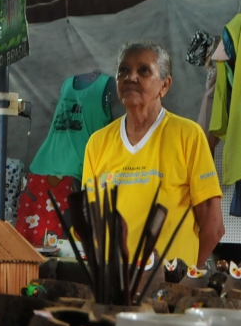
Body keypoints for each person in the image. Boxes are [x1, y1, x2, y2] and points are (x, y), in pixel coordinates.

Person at [82, 41, 224, 270]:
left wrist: (185, 276)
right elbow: (91, 221)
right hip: (113, 281)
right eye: (123, 70)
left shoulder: (188, 136)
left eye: (144, 71)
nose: (131, 77)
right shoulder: (97, 143)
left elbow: (213, 227)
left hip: (168, 284)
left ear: (164, 85)